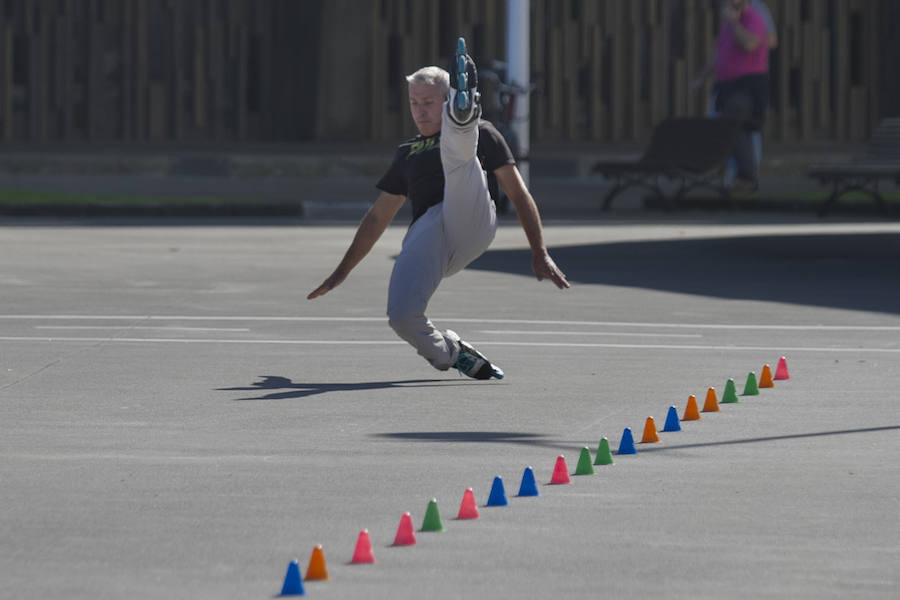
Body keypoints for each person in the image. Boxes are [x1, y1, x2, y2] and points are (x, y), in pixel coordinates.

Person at [308, 38, 569, 380]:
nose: (420, 111)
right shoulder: (407, 153)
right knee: (401, 316)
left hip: (470, 218)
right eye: (414, 103)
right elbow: (378, 217)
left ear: (446, 99)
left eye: (429, 102)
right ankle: (452, 353)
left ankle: (461, 118)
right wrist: (341, 272)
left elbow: (518, 194)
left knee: (460, 161)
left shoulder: (487, 133)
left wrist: (540, 250)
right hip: (430, 235)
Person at [691, 0, 771, 189]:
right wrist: (701, 78)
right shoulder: (727, 23)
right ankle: (739, 175)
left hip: (747, 86)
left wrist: (734, 23)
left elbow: (751, 44)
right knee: (732, 128)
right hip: (727, 87)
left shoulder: (754, 18)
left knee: (732, 124)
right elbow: (719, 53)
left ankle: (747, 176)